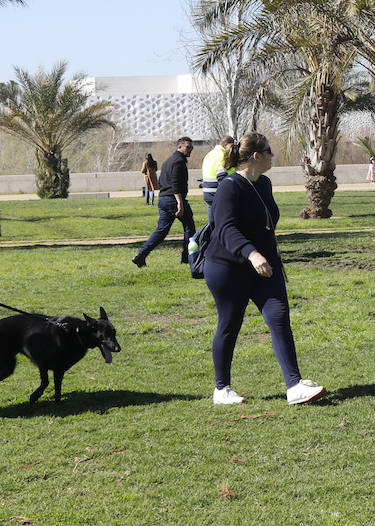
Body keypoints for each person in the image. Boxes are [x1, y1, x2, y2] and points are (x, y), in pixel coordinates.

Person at [203, 132, 325, 406]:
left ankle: (294, 386)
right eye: (269, 151)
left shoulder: (264, 183)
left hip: (264, 267)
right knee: (229, 324)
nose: (273, 155)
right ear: (257, 156)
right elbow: (225, 229)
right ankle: (221, 389)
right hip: (227, 268)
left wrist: (266, 257)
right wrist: (252, 253)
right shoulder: (229, 187)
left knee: (279, 316)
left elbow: (266, 226)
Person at [132, 136, 196, 268]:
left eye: (191, 147)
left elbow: (161, 182)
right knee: (190, 228)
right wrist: (179, 202)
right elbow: (175, 183)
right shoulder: (178, 161)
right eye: (188, 147)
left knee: (161, 231)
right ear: (180, 147)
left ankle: (141, 254)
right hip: (174, 200)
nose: (190, 150)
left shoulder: (168, 161)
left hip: (163, 199)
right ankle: (187, 258)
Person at [200, 135, 236, 218]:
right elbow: (221, 176)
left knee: (212, 224)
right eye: (232, 146)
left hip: (207, 193)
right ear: (226, 144)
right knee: (222, 223)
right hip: (217, 194)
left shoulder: (209, 154)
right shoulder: (222, 155)